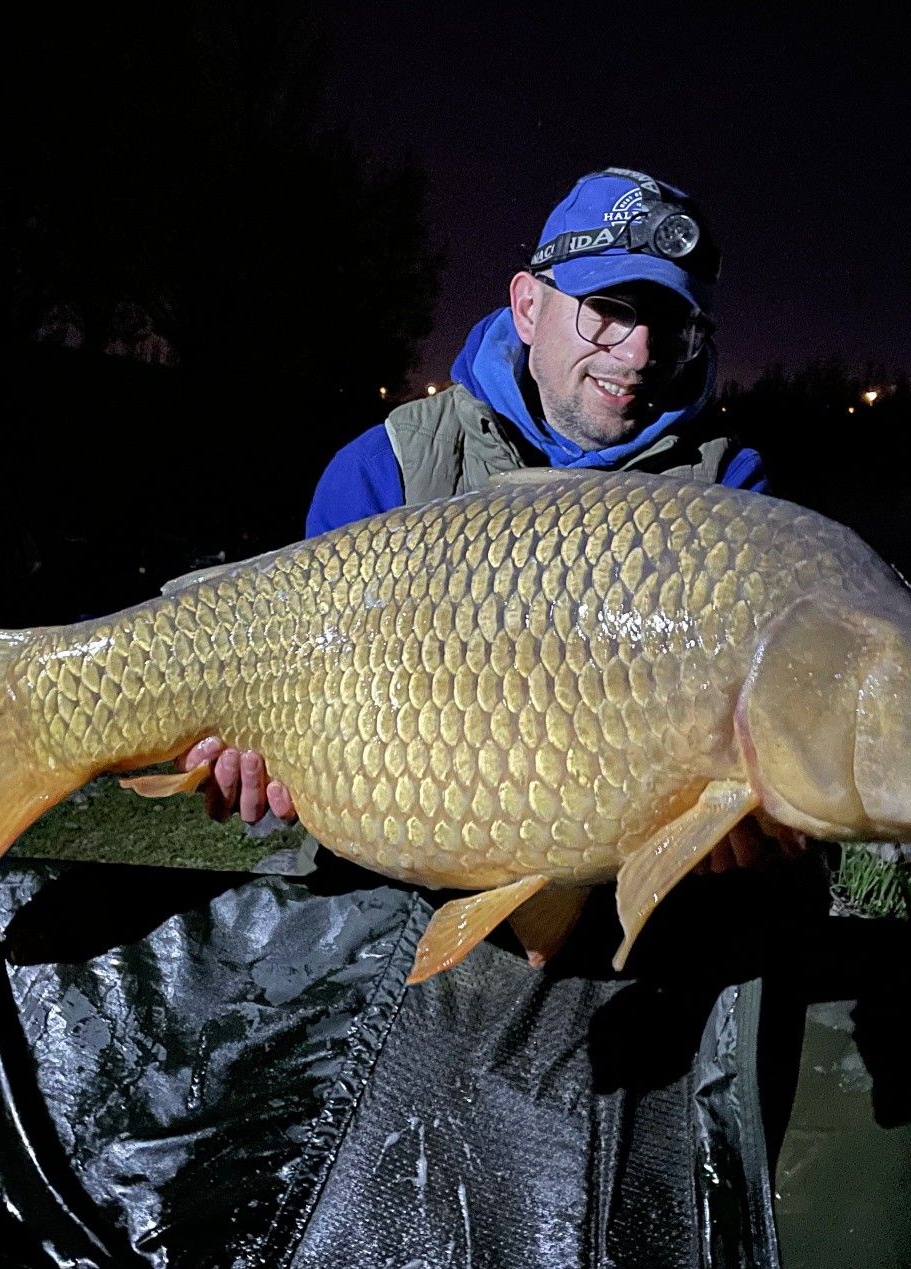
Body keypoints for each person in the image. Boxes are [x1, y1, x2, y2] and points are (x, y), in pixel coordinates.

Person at [179, 167, 771, 874]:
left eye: (670, 325)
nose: (637, 354)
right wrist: (245, 757)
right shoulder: (386, 467)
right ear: (528, 306)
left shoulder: (729, 494)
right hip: (397, 861)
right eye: (607, 309)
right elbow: (286, 700)